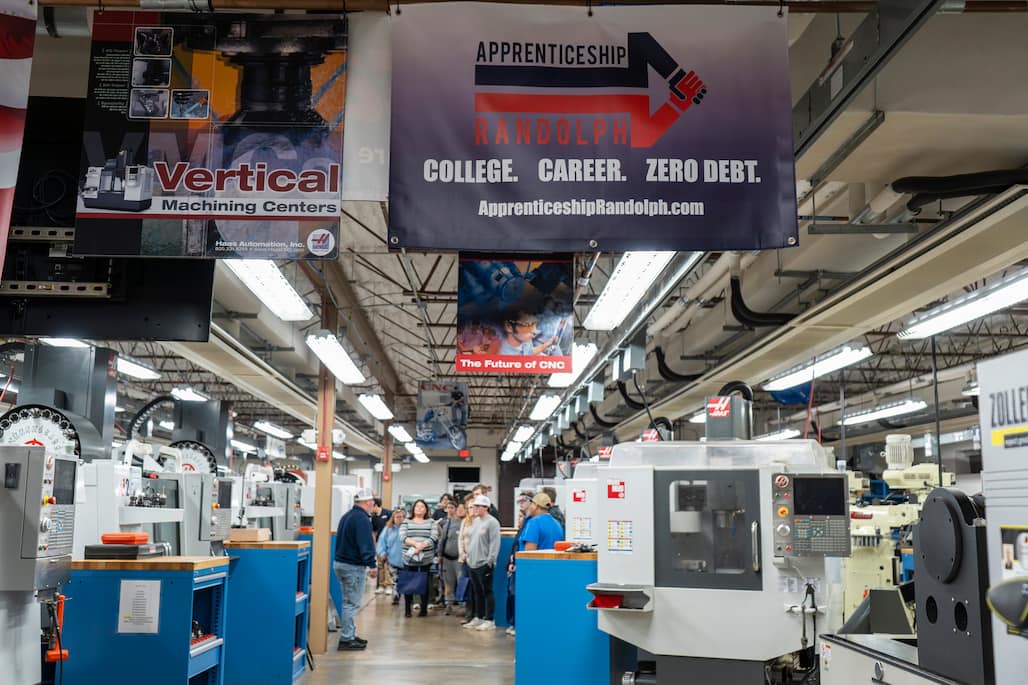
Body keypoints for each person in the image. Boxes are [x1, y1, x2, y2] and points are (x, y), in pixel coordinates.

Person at [333, 488, 378, 650]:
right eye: (372, 502)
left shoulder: (348, 516)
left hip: (341, 564)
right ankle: (346, 638)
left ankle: (350, 634)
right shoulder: (362, 519)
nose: (373, 504)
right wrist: (372, 564)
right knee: (351, 604)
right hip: (352, 566)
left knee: (348, 602)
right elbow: (364, 544)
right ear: (367, 502)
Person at [464, 494, 501, 632]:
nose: (475, 509)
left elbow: (494, 543)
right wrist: (468, 557)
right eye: (475, 506)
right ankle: (478, 617)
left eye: (478, 506)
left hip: (484, 563)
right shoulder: (476, 521)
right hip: (472, 562)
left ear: (486, 507)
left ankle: (489, 619)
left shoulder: (492, 522)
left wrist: (490, 561)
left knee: (487, 591)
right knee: (476, 592)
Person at [398, 499, 438, 618]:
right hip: (409, 558)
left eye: (422, 507)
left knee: (424, 583)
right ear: (413, 509)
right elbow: (403, 536)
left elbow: (434, 536)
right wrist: (415, 545)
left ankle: (424, 609)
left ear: (426, 509)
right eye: (417, 507)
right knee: (408, 582)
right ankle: (407, 609)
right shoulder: (406, 522)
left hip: (425, 558)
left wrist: (422, 546)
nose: (419, 509)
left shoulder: (431, 522)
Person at [505, 491, 535, 637]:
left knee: (518, 595)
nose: (521, 504)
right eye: (519, 501)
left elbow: (527, 547)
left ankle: (518, 624)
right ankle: (513, 622)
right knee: (512, 595)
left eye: (524, 501)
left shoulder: (533, 522)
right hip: (516, 564)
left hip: (525, 567)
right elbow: (517, 544)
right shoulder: (525, 523)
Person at [376, 508, 406, 603]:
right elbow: (381, 542)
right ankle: (396, 596)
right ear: (393, 518)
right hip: (392, 559)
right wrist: (382, 553)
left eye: (401, 517)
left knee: (404, 579)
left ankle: (407, 597)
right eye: (397, 517)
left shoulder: (407, 528)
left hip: (406, 559)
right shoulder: (388, 529)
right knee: (395, 580)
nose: (399, 519)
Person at [438, 499, 463, 613]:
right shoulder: (447, 523)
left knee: (461, 581)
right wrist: (440, 554)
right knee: (448, 582)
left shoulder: (463, 523)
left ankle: (463, 604)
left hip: (459, 559)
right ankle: (448, 603)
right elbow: (442, 540)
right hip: (447, 558)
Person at [458, 493, 477, 624]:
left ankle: (477, 614)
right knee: (467, 586)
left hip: (477, 560)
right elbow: (461, 539)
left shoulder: (482, 522)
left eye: (473, 507)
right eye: (469, 507)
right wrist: (462, 553)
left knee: (477, 587)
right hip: (465, 559)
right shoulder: (465, 521)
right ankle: (468, 614)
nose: (471, 510)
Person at [371, 497, 393, 593]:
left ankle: (389, 586)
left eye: (372, 505)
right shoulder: (374, 517)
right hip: (380, 544)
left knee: (387, 565)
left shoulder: (388, 513)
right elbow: (374, 532)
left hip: (389, 543)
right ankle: (381, 585)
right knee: (380, 565)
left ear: (376, 505)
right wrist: (375, 544)